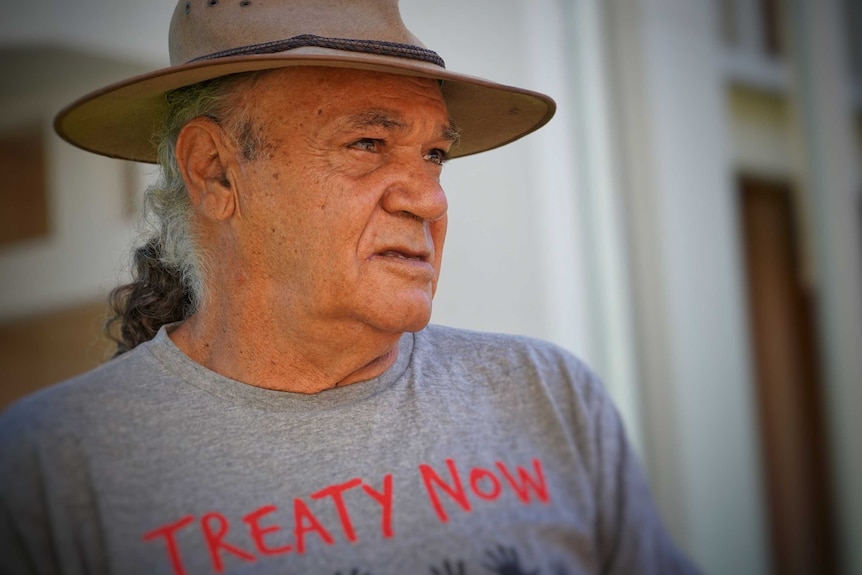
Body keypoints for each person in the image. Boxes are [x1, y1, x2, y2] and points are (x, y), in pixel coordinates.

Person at [0, 1, 699, 573]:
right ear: (214, 171)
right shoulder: (49, 469)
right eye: (367, 144)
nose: (428, 198)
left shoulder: (547, 396)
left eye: (434, 154)